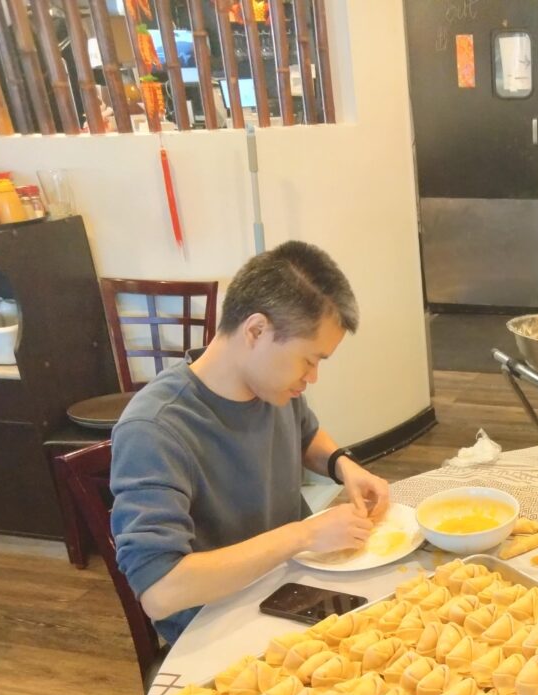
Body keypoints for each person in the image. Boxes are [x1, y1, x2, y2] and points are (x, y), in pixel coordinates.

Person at [110, 241, 390, 644]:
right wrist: (303, 536)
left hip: (292, 587)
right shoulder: (155, 429)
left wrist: (343, 465)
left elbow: (305, 434)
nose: (311, 378)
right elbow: (160, 590)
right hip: (218, 627)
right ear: (256, 330)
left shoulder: (272, 387)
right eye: (309, 360)